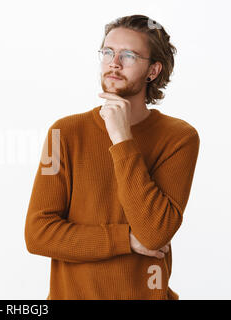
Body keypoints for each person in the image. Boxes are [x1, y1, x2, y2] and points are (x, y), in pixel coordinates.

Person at [24, 14, 200, 300]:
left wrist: (121, 139)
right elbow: (38, 234)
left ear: (153, 70)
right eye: (108, 52)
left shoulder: (179, 138)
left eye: (128, 55)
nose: (113, 63)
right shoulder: (63, 133)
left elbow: (154, 234)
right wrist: (126, 241)